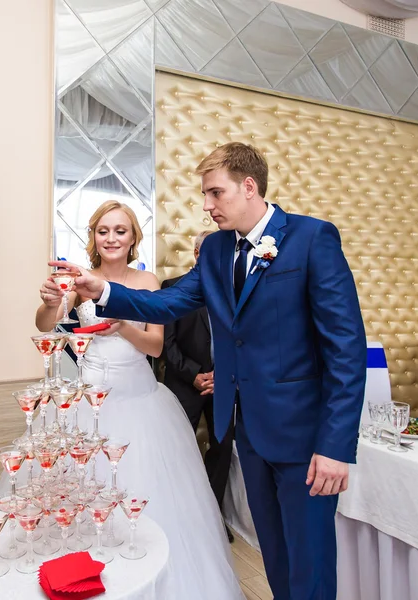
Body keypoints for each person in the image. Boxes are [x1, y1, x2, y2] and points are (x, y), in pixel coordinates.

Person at [51, 143, 367, 600]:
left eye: (215, 193)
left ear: (249, 186)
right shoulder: (217, 250)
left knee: (310, 560)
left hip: (304, 437)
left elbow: (346, 350)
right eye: (205, 195)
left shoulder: (312, 238)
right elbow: (168, 303)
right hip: (248, 432)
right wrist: (103, 289)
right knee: (274, 555)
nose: (206, 206)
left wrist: (336, 446)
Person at [38, 200, 245, 600]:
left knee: (146, 500)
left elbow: (154, 347)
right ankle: (81, 577)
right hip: (87, 403)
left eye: (120, 230)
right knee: (79, 495)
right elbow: (45, 328)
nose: (111, 238)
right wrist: (50, 303)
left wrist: (120, 327)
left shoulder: (148, 282)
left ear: (133, 238)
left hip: (139, 401)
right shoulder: (81, 279)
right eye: (103, 230)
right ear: (93, 237)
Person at [161, 231, 234, 542]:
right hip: (183, 384)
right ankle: (176, 515)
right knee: (178, 451)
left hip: (224, 385)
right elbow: (166, 343)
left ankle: (210, 516)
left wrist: (224, 375)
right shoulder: (171, 288)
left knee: (222, 450)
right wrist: (194, 375)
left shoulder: (237, 290)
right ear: (196, 254)